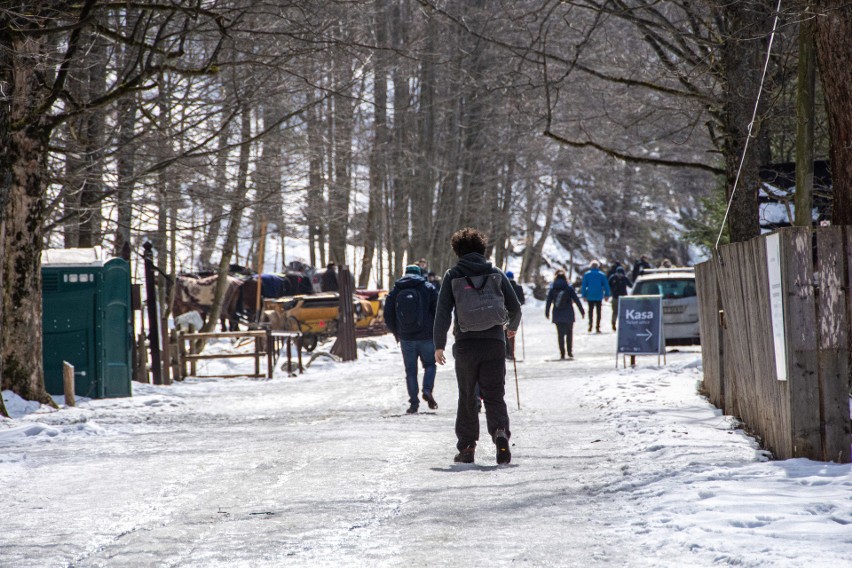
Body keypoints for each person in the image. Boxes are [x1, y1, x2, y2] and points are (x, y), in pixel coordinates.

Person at [434, 228, 522, 465]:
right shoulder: (496, 273)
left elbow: (442, 312)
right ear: (482, 250)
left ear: (458, 251)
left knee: (467, 396)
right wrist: (511, 327)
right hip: (494, 342)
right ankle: (500, 433)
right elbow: (515, 307)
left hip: (466, 345)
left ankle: (467, 447)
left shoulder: (453, 276)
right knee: (495, 394)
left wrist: (439, 345)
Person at [384, 265, 440, 414]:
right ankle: (427, 390)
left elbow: (387, 314)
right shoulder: (428, 288)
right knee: (430, 365)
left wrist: (398, 333)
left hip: (406, 338)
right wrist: (436, 331)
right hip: (427, 336)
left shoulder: (396, 290)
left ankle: (414, 404)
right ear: (420, 274)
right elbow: (438, 311)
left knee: (410, 371)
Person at [544, 270, 585, 359]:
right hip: (569, 314)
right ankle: (569, 352)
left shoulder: (553, 289)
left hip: (557, 314)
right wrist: (582, 311)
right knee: (569, 333)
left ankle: (562, 353)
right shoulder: (569, 288)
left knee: (560, 335)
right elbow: (576, 300)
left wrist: (547, 312)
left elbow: (548, 302)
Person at [581, 260, 611, 333]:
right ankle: (597, 326)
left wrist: (584, 295)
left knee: (590, 311)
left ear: (591, 266)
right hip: (599, 295)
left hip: (590, 295)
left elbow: (584, 286)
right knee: (598, 311)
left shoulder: (587, 274)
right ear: (598, 266)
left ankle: (590, 325)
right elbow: (606, 285)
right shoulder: (602, 275)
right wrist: (607, 295)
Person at [504, 271, 525, 360]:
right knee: (512, 332)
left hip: (504, 312)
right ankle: (511, 353)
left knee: (504, 332)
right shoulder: (518, 287)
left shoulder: (502, 287)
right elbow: (522, 300)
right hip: (515, 313)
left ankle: (506, 352)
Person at [608, 266, 632, 331]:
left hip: (622, 298)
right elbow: (630, 285)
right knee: (616, 311)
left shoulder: (621, 278)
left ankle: (621, 324)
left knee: (621, 312)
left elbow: (630, 285)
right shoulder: (614, 278)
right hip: (617, 297)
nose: (620, 275)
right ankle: (614, 323)